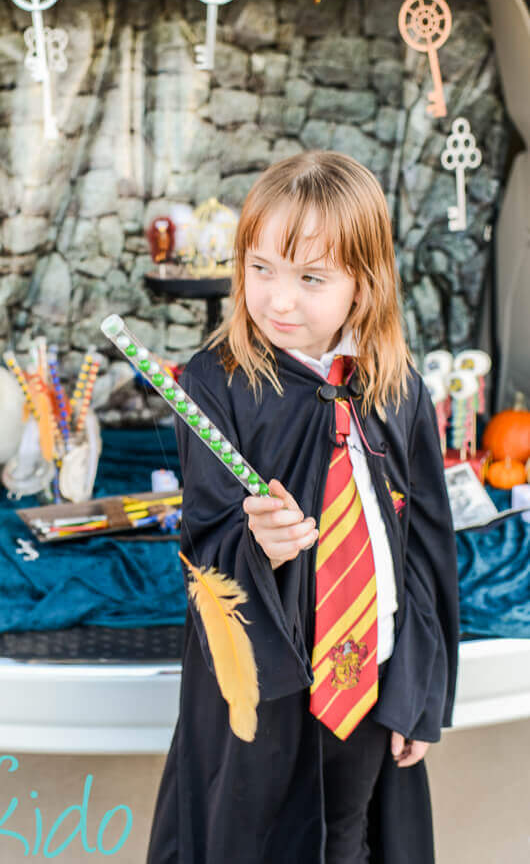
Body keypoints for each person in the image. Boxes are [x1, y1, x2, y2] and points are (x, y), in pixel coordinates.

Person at [147, 150, 459, 864]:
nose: (280, 300)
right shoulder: (214, 385)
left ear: (364, 283)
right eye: (261, 269)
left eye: (311, 278)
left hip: (368, 682)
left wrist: (419, 691)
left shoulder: (398, 390)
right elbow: (204, 550)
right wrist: (260, 545)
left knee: (350, 837)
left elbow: (422, 554)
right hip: (264, 694)